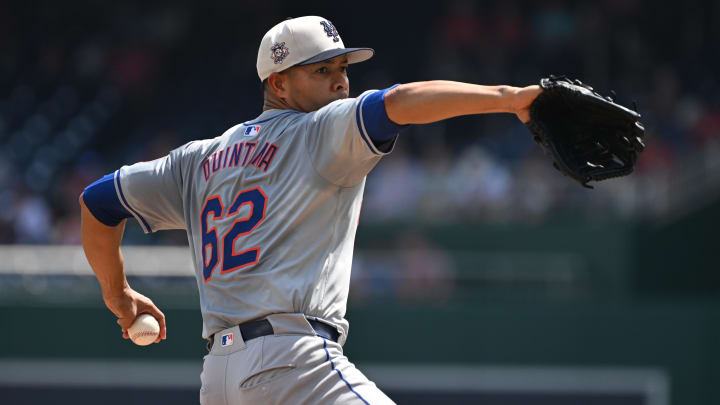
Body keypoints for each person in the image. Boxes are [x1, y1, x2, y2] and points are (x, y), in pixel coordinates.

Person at [79, 15, 542, 404]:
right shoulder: (318, 131)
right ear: (278, 83)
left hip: (219, 379)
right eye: (321, 71)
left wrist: (117, 296)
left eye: (342, 67)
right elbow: (399, 102)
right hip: (293, 364)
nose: (341, 80)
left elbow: (98, 202)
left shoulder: (196, 160)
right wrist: (512, 98)